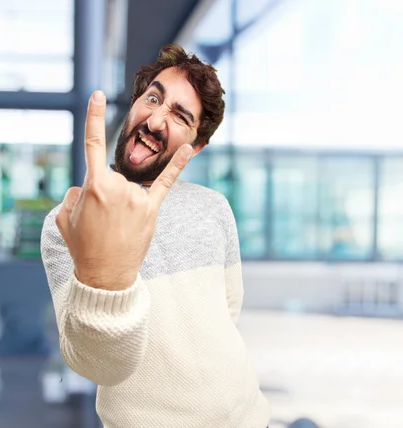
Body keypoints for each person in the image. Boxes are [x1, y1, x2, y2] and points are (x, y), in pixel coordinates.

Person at [41, 44, 270, 428]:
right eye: (153, 98)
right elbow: (97, 362)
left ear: (194, 147)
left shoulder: (213, 207)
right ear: (134, 104)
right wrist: (105, 275)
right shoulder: (68, 221)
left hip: (249, 417)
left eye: (180, 116)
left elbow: (227, 309)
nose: (156, 120)